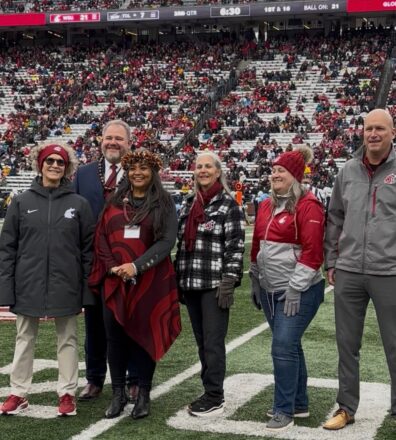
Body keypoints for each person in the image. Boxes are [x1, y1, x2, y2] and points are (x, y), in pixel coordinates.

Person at [0, 143, 94, 416]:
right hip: (27, 283)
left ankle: (67, 393)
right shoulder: (21, 201)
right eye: (49, 160)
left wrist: (86, 290)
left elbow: (87, 251)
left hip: (66, 283)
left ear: (67, 168)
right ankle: (18, 392)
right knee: (24, 337)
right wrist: (6, 290)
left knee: (68, 339)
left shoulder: (79, 204)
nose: (54, 165)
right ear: (39, 164)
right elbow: (8, 249)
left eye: (60, 162)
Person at [89, 149, 181, 420]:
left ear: (153, 172)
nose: (137, 173)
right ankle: (117, 394)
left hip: (149, 281)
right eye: (133, 168)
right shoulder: (115, 201)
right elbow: (101, 237)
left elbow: (166, 241)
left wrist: (136, 266)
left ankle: (143, 393)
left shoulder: (163, 203)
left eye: (144, 168)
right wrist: (111, 267)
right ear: (126, 172)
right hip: (115, 281)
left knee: (143, 338)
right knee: (114, 339)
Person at [323, 108, 396, 430]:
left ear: (392, 132)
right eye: (369, 128)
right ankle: (346, 407)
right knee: (346, 345)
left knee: (394, 345)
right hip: (350, 269)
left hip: (390, 271)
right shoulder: (348, 170)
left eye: (380, 128)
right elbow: (335, 217)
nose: (374, 134)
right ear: (362, 133)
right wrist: (332, 260)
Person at [250, 145, 325, 432]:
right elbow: (257, 243)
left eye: (281, 170)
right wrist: (255, 277)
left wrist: (295, 288)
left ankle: (284, 410)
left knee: (282, 345)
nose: (275, 174)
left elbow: (312, 252)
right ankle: (299, 402)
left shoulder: (308, 205)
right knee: (289, 345)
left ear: (295, 175)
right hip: (270, 289)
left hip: (299, 291)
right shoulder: (267, 204)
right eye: (273, 170)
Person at [175, 151, 245, 417]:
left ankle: (215, 395)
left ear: (218, 172)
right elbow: (182, 245)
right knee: (202, 342)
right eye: (198, 166)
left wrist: (228, 282)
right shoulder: (189, 203)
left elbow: (235, 247)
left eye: (208, 166)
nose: (202, 170)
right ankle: (209, 390)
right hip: (191, 282)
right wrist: (177, 280)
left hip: (214, 284)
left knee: (213, 343)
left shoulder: (229, 205)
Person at [74, 119, 138, 402]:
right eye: (108, 138)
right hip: (92, 263)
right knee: (94, 325)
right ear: (100, 140)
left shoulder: (139, 172)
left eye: (119, 139)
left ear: (129, 143)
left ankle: (134, 378)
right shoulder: (84, 174)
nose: (113, 143)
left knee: (131, 322)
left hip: (127, 262)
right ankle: (95, 378)